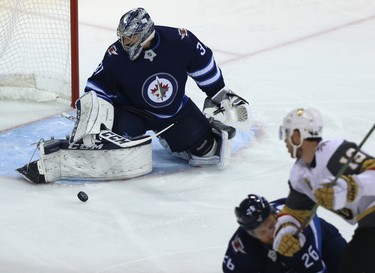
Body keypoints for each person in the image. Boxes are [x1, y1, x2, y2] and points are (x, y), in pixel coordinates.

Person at [16, 7, 251, 183]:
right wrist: (89, 121)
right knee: (109, 150)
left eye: (130, 37)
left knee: (208, 152)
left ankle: (176, 141)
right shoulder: (116, 55)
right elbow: (96, 90)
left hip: (176, 112)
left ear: (145, 35)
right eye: (123, 36)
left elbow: (204, 66)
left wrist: (218, 93)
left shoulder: (180, 40)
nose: (124, 41)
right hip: (132, 113)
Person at [273, 107, 375, 273]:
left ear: (298, 135)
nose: (285, 141)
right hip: (368, 227)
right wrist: (287, 232)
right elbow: (294, 213)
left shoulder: (333, 150)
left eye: (287, 134)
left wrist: (347, 189)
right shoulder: (300, 175)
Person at [223, 194, 347, 273]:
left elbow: (316, 270)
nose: (271, 233)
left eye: (272, 225)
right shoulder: (241, 247)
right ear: (251, 235)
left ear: (275, 215)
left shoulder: (297, 226)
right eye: (262, 232)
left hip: (324, 243)